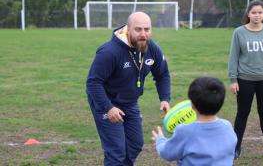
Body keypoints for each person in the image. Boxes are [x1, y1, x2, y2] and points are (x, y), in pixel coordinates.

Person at [86, 12, 171, 166]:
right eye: (138, 29)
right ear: (128, 29)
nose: (143, 34)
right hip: (106, 101)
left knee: (135, 144)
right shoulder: (109, 51)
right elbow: (93, 83)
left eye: (147, 29)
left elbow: (162, 74)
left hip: (129, 102)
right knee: (116, 151)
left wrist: (164, 98)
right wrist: (109, 108)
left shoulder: (152, 48)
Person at [228, 0, 263, 161]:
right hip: (244, 79)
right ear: (248, 14)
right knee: (242, 113)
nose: (257, 15)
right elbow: (234, 57)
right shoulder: (239, 32)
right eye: (254, 12)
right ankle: (236, 148)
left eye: (260, 12)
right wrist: (233, 79)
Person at [152, 77, 237, 166]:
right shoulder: (227, 126)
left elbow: (167, 153)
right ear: (221, 103)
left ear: (192, 105)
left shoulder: (185, 131)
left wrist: (160, 140)